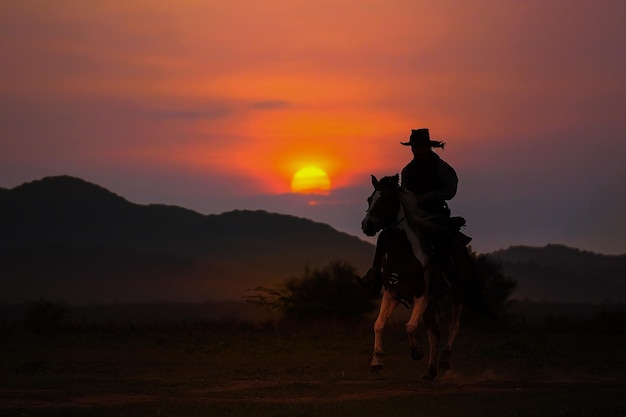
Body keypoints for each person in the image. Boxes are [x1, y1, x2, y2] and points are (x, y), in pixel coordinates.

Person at [356, 128, 465, 291]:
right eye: (414, 146)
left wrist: (428, 196)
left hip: (435, 212)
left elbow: (450, 191)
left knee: (440, 238)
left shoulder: (442, 168)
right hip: (413, 212)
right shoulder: (407, 170)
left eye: (420, 146)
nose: (416, 150)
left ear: (428, 147)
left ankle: (441, 276)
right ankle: (375, 272)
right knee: (386, 234)